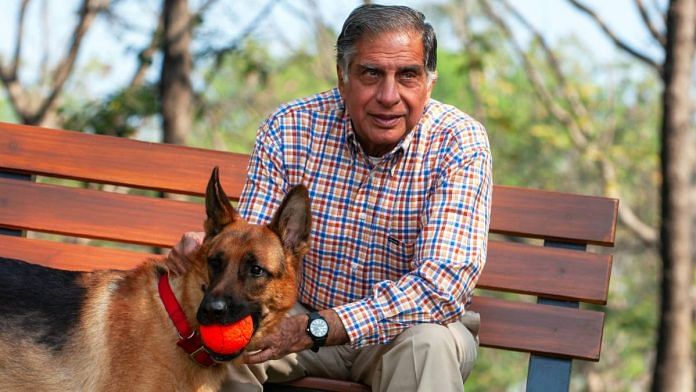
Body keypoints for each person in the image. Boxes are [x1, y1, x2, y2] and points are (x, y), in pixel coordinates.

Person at [170, 4, 492, 391]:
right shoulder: (291, 127)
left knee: (429, 344)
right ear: (343, 78)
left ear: (429, 83)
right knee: (228, 336)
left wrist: (323, 327)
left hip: (402, 332)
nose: (389, 96)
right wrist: (207, 252)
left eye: (407, 75)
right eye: (371, 73)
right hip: (297, 320)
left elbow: (441, 287)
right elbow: (253, 245)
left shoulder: (459, 143)